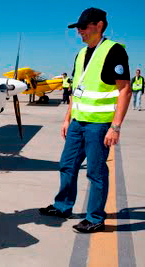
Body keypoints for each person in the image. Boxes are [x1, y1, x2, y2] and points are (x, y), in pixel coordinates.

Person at [39, 7, 131, 233]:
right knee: (67, 165)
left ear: (99, 25)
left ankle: (96, 217)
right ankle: (62, 206)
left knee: (96, 172)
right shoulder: (80, 54)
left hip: (99, 125)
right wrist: (67, 117)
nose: (79, 32)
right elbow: (76, 91)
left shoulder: (114, 51)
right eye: (77, 28)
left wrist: (115, 127)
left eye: (83, 27)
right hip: (77, 122)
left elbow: (125, 90)